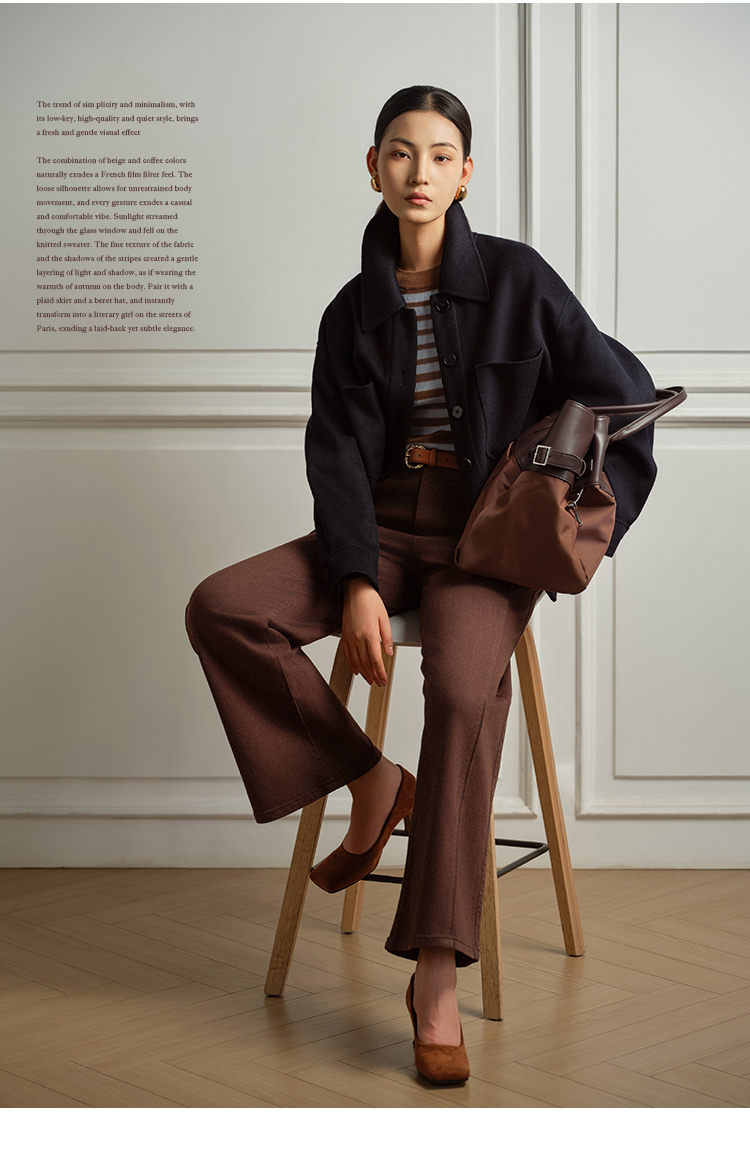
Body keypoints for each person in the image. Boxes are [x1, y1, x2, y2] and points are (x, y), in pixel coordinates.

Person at [185, 85, 657, 1085]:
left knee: (460, 693)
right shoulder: (351, 312)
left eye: (441, 155)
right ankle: (370, 779)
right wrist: (356, 577)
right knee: (224, 606)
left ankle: (435, 973)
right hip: (382, 523)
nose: (420, 172)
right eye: (401, 153)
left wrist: (579, 526)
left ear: (466, 174)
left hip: (487, 536)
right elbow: (335, 458)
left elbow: (625, 399)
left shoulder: (521, 279)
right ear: (374, 167)